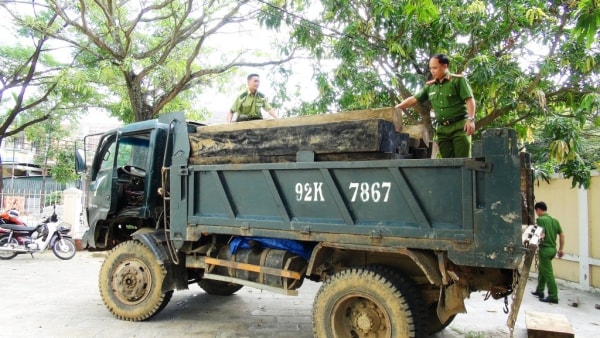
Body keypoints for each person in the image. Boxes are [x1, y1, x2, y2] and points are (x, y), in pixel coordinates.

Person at [394, 54, 476, 158]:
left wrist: (471, 119)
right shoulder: (430, 86)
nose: (432, 71)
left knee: (463, 162)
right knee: (448, 163)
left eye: (435, 68)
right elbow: (414, 99)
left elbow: (470, 100)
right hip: (443, 129)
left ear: (445, 66)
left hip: (460, 126)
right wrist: (397, 107)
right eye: (431, 68)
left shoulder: (458, 81)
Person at [531, 201, 565, 304]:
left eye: (536, 211)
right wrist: (561, 249)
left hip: (545, 250)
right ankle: (540, 290)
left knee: (548, 273)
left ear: (538, 210)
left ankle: (553, 296)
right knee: (543, 269)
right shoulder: (555, 220)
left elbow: (542, 235)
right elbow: (562, 235)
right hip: (553, 250)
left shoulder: (540, 220)